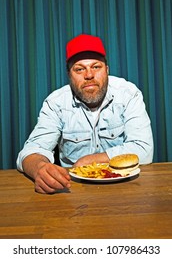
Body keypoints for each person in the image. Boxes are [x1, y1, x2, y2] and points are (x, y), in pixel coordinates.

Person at [17, 34, 154, 194]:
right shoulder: (56, 102)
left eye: (96, 67)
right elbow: (30, 151)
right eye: (79, 69)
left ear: (107, 70)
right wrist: (40, 168)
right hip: (74, 191)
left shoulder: (128, 94)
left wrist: (90, 160)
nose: (89, 75)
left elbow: (144, 150)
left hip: (126, 189)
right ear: (69, 75)